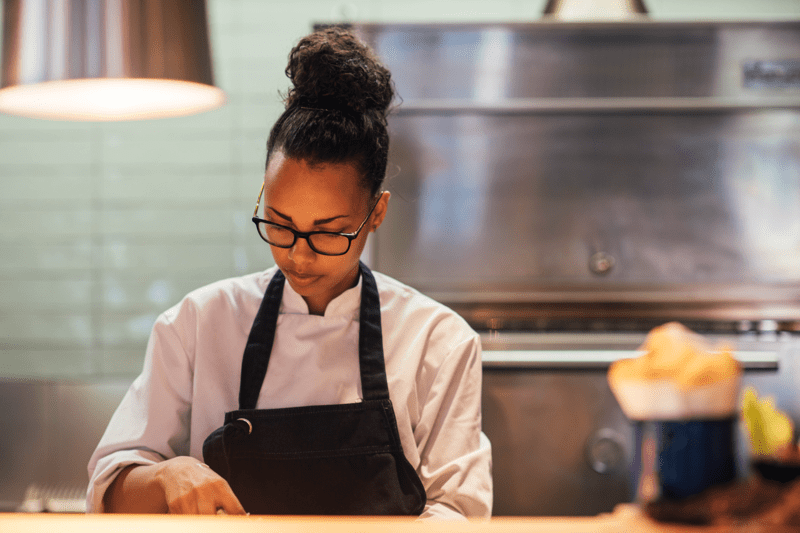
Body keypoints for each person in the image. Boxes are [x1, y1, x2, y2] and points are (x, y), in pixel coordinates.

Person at [87, 27, 492, 520]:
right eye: (279, 225)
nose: (298, 257)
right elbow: (110, 490)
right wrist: (168, 474)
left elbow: (459, 513)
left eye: (329, 233)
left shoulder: (437, 341)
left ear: (376, 213)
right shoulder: (198, 323)